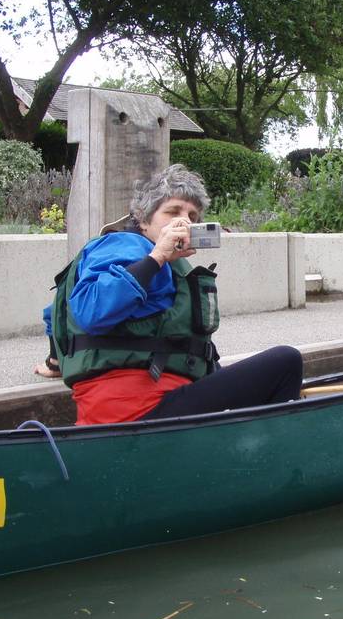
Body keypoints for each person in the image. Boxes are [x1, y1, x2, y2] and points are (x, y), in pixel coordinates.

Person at [51, 164, 303, 425]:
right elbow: (89, 310)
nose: (184, 221)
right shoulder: (125, 245)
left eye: (192, 216)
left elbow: (54, 317)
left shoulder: (169, 264)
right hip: (136, 410)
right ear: (144, 218)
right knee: (286, 362)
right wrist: (157, 256)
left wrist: (53, 361)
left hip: (163, 401)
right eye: (172, 212)